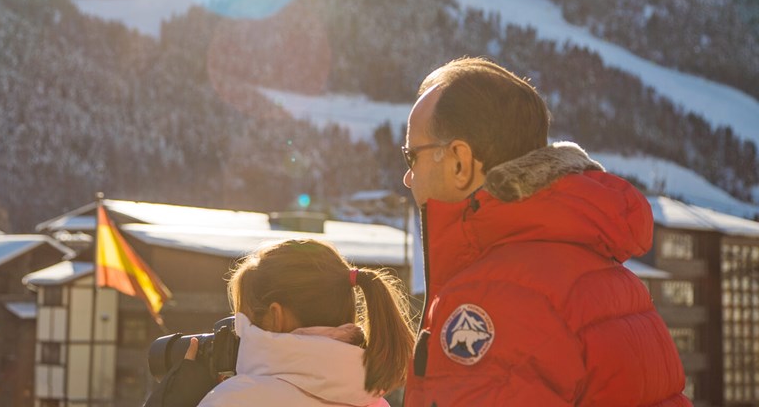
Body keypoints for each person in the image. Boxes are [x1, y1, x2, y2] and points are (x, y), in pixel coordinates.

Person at [401, 57, 691, 406]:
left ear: (460, 162)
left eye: (410, 156)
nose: (407, 177)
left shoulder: (492, 299)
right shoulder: (604, 272)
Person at [146, 238, 416, 407]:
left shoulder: (239, 399)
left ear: (276, 317)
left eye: (243, 321)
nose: (237, 334)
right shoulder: (372, 400)